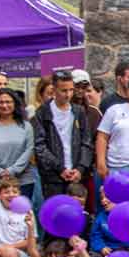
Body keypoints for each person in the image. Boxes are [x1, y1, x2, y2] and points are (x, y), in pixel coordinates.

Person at [34, 71, 93, 200]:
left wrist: (80, 168)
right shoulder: (43, 112)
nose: (68, 94)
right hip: (53, 178)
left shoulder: (78, 111)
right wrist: (60, 168)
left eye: (71, 90)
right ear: (54, 89)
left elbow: (86, 142)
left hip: (77, 175)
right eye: (63, 90)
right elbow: (40, 146)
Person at [0, 88, 36, 200]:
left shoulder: (26, 126)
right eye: (1, 102)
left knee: (20, 216)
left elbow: (29, 150)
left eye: (8, 102)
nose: (4, 105)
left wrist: (13, 170)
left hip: (22, 181)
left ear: (15, 104)